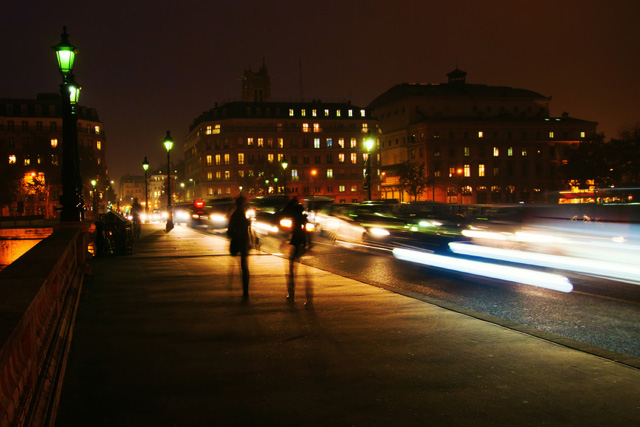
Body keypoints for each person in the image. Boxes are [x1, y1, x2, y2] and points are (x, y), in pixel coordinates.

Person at [227, 195, 251, 300]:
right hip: (242, 242)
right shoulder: (240, 215)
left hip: (239, 242)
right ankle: (245, 290)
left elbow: (230, 230)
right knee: (244, 267)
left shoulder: (236, 214)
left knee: (243, 266)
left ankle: (245, 290)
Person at [287, 201, 308, 303]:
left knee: (292, 269)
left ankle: (291, 292)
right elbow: (304, 231)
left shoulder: (296, 219)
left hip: (296, 242)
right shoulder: (302, 219)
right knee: (300, 270)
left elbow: (294, 231)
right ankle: (305, 297)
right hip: (300, 242)